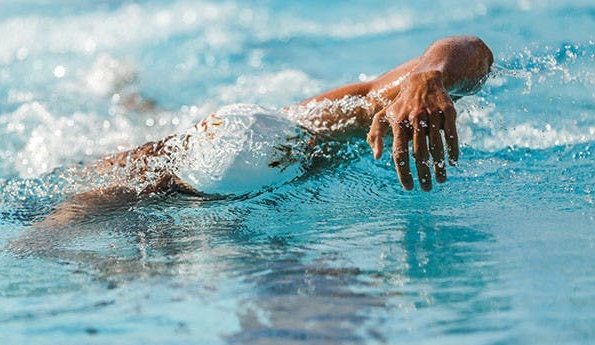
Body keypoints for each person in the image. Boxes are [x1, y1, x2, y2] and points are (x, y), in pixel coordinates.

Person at [43, 35, 493, 225]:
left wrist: (427, 77)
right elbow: (50, 233)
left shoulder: (319, 126)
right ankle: (125, 94)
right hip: (144, 164)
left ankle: (129, 94)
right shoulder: (135, 181)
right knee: (121, 135)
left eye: (302, 149)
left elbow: (473, 49)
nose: (312, 152)